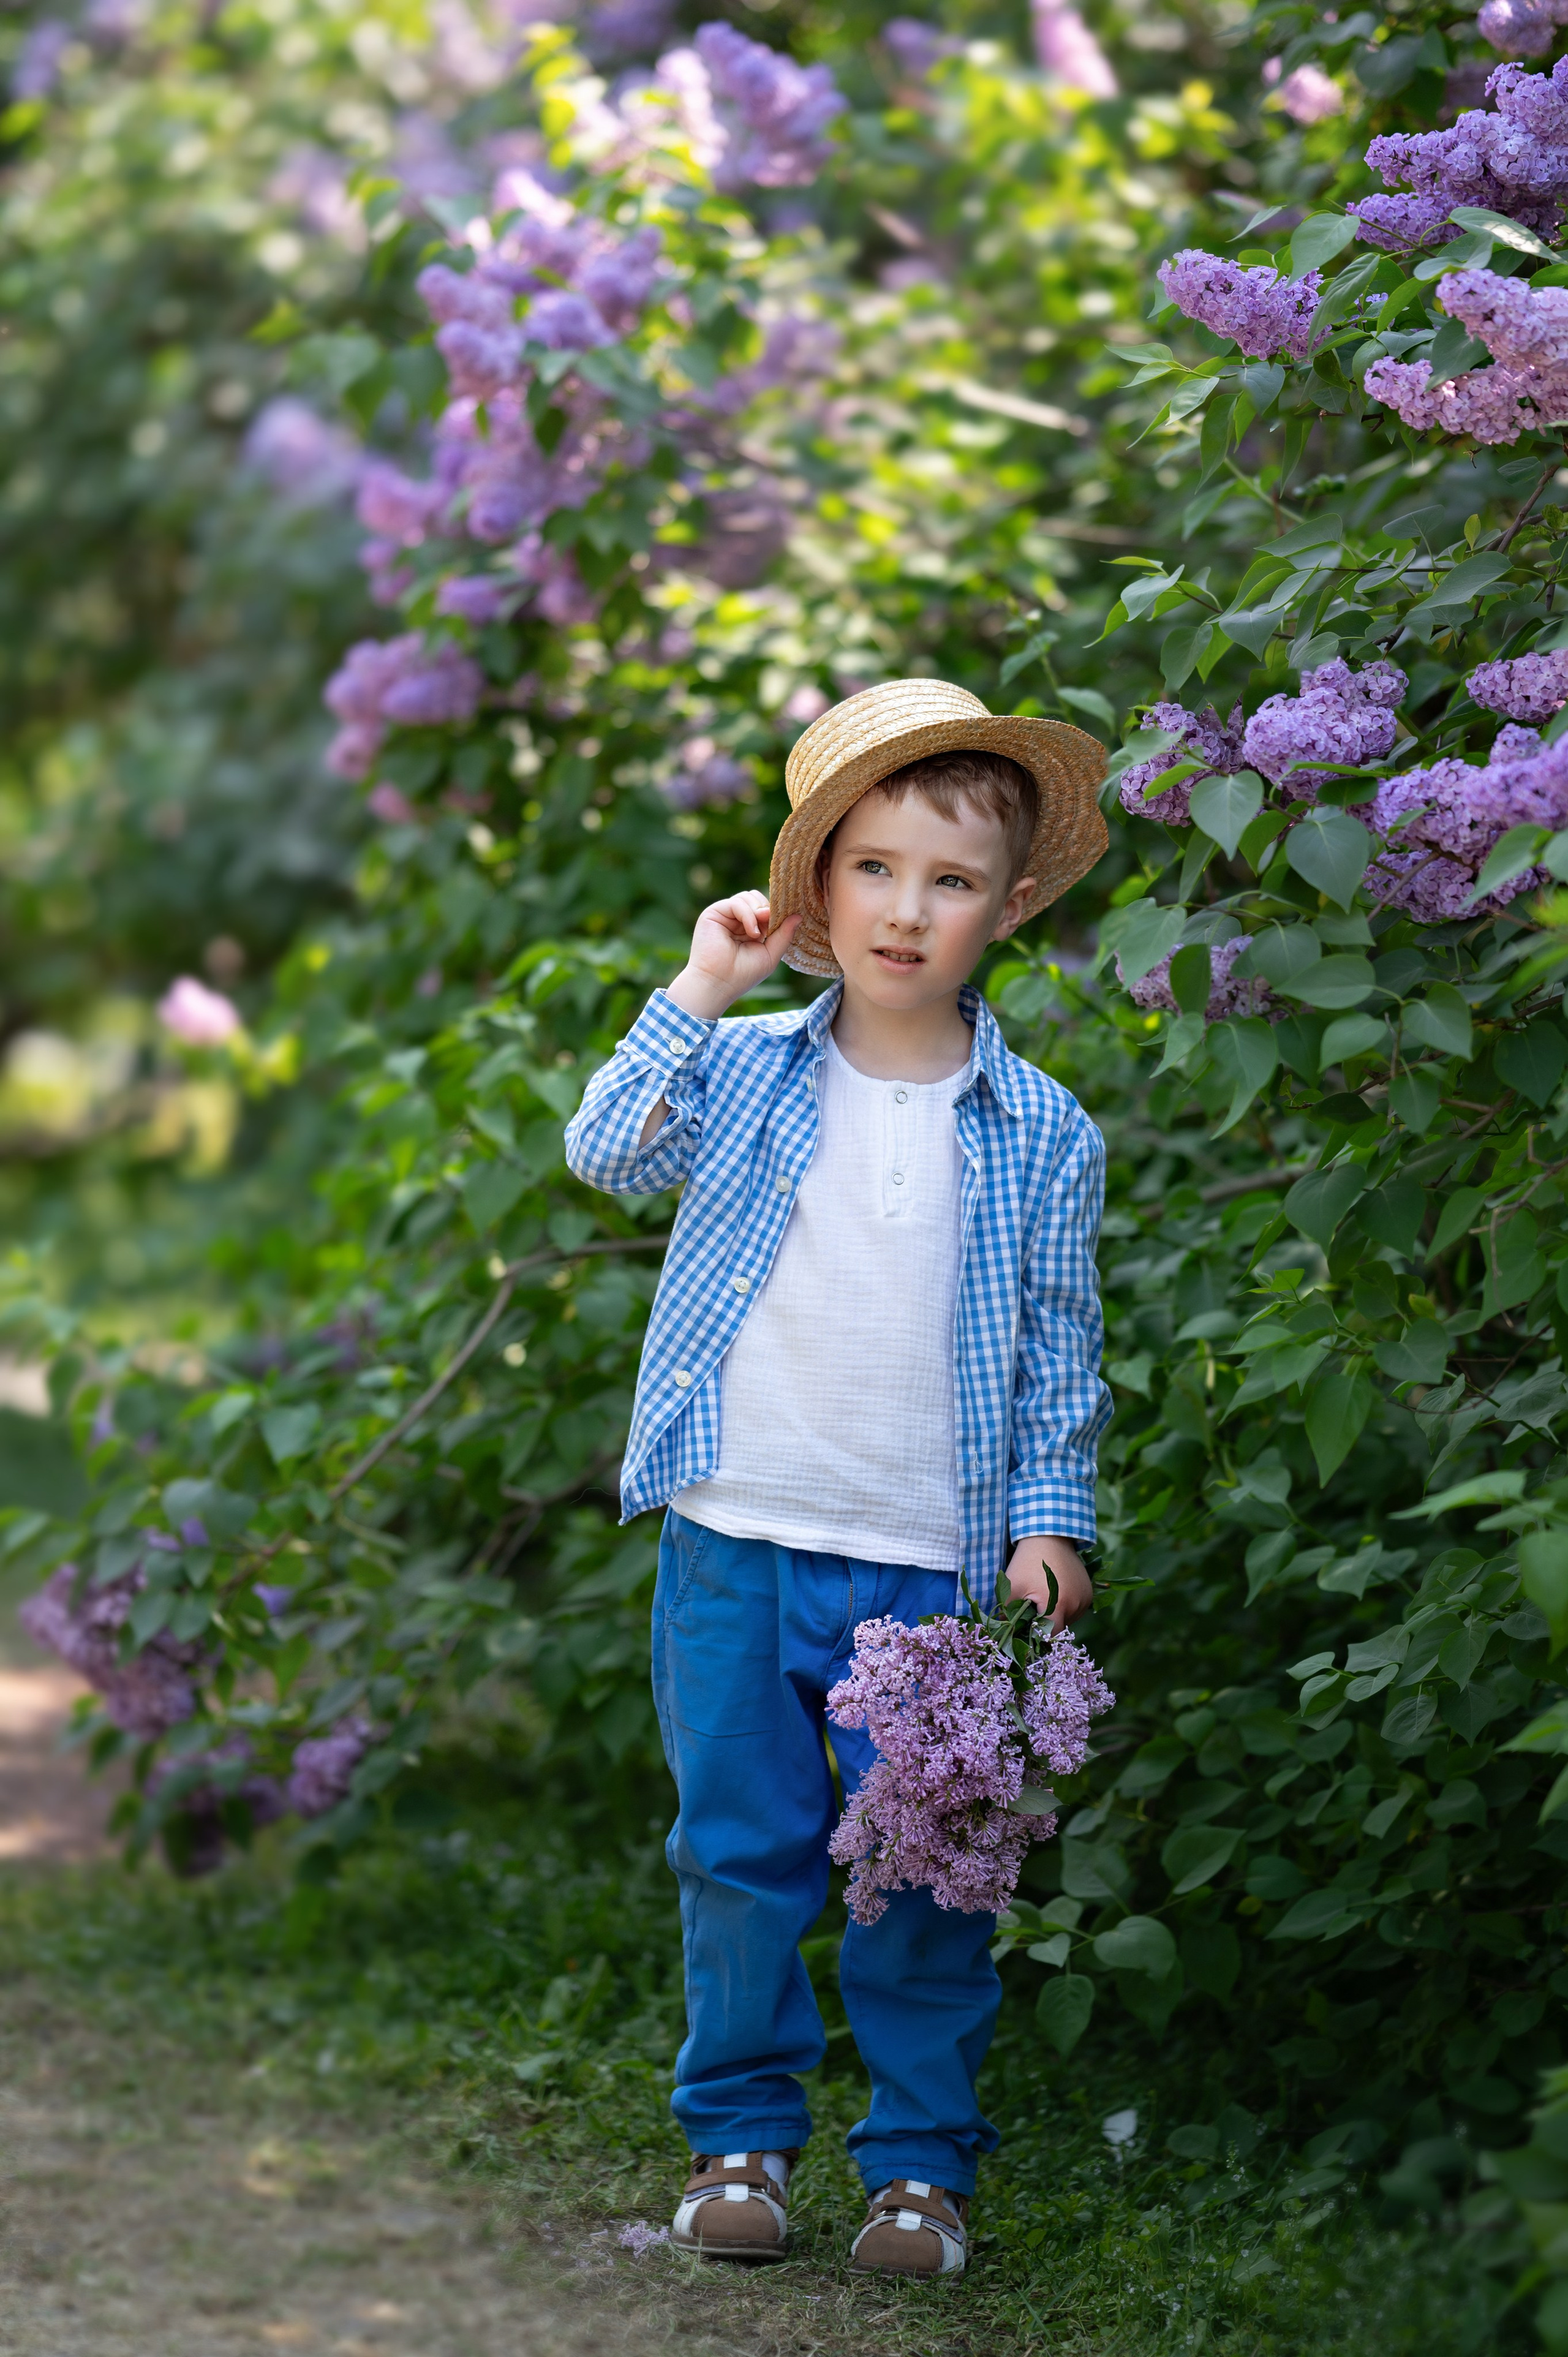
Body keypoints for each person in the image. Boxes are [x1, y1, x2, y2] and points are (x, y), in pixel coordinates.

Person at [564, 677, 1112, 2277]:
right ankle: (738, 2137)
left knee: (927, 1877)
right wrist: (700, 983)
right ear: (818, 889)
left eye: (950, 881)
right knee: (741, 1855)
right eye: (873, 868)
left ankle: (920, 2169)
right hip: (736, 1540)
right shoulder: (741, 1072)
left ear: (1009, 905)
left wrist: (1050, 1523)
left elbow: (1060, 1352)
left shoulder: (1045, 1130)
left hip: (932, 1567)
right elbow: (607, 1151)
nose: (907, 910)